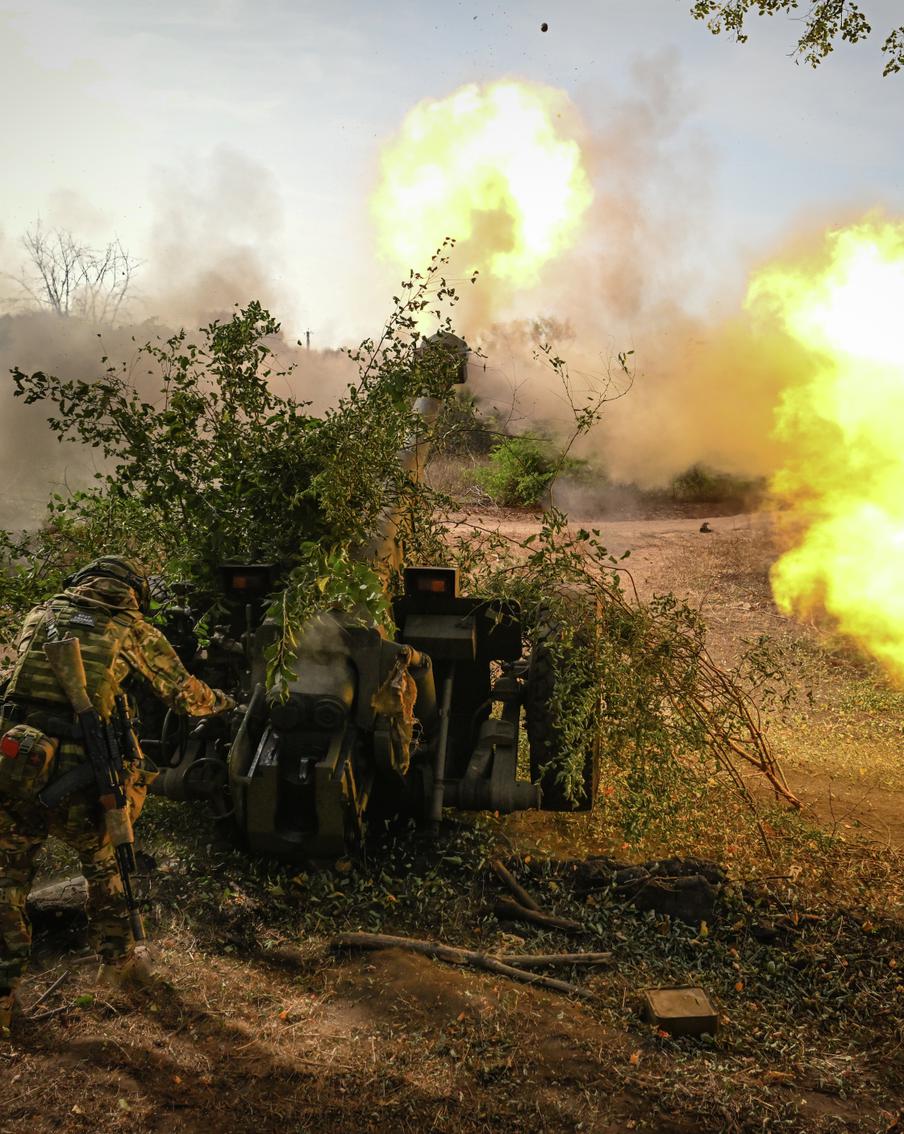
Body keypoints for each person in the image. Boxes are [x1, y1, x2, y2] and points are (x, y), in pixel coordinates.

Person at [0, 556, 234, 1037]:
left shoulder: (40, 614)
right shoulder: (131, 629)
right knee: (106, 865)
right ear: (133, 594)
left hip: (15, 763)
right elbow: (186, 697)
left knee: (7, 880)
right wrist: (226, 702)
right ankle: (119, 964)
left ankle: (3, 996)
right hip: (81, 772)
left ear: (82, 582)